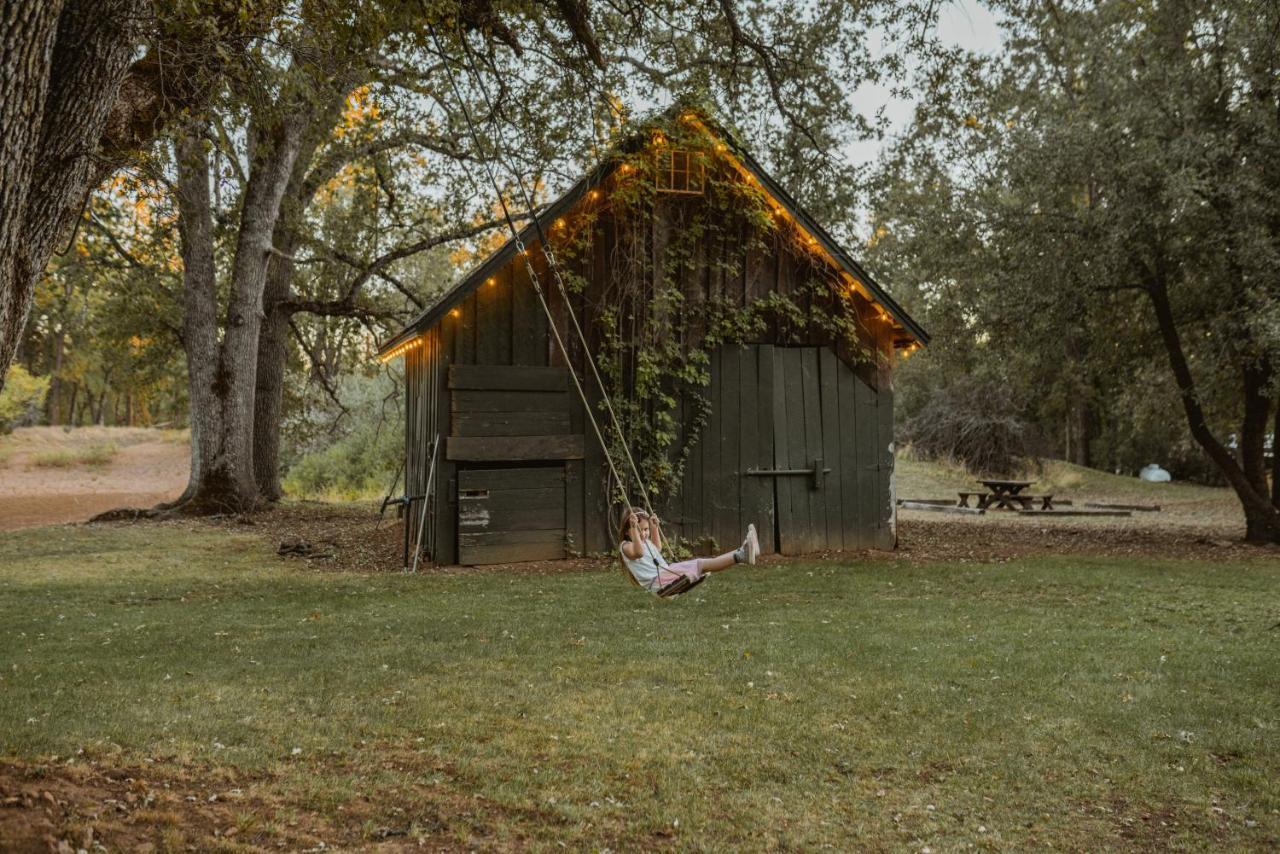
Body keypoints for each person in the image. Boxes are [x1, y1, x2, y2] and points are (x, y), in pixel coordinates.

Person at [619, 507, 759, 593]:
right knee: (701, 564)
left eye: (645, 530)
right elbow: (638, 553)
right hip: (659, 581)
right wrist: (634, 529)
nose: (643, 534)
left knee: (702, 563)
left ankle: (745, 552)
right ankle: (741, 554)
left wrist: (654, 528)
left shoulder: (644, 542)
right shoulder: (626, 546)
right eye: (639, 530)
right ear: (627, 531)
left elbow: (657, 549)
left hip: (665, 573)